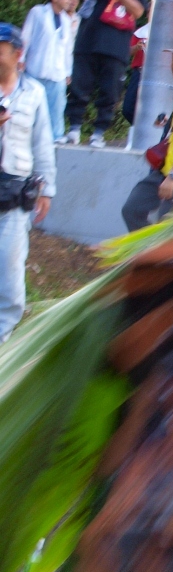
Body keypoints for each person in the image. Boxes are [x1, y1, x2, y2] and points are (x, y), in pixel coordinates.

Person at [64, 0, 147, 148]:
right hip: (88, 39)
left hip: (116, 44)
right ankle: (74, 129)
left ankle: (99, 133)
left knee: (110, 91)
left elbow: (138, 11)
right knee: (79, 86)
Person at [0, 23, 55, 340]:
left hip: (15, 192)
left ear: (17, 54)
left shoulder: (33, 93)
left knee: (8, 266)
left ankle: (3, 338)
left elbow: (42, 143)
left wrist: (46, 188)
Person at [121, 48, 173, 230]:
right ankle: (148, 253)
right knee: (131, 209)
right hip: (164, 168)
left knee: (166, 230)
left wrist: (172, 177)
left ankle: (156, 256)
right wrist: (167, 120)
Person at [20, 0, 76, 141]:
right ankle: (27, 136)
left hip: (57, 71)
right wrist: (21, 58)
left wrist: (68, 71)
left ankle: (55, 136)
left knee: (57, 107)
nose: (68, 0)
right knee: (30, 106)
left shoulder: (66, 19)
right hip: (35, 68)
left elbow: (67, 48)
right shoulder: (37, 12)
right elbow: (26, 36)